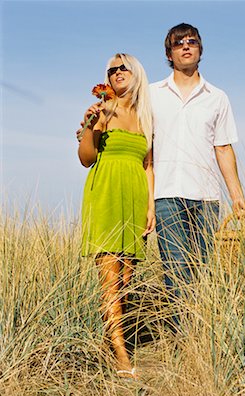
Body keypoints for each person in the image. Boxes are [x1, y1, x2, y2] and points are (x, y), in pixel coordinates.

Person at [150, 23, 245, 305]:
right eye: (178, 43)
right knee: (175, 269)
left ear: (200, 49)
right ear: (169, 54)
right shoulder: (152, 93)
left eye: (191, 41)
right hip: (166, 194)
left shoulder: (217, 97)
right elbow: (143, 146)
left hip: (206, 197)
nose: (186, 46)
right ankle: (183, 339)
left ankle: (200, 339)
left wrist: (237, 196)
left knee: (201, 270)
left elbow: (223, 147)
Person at [78, 53, 155, 379]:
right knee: (109, 282)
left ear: (136, 74)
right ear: (107, 79)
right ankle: (121, 357)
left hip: (135, 200)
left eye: (123, 67)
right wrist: (91, 126)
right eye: (112, 70)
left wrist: (150, 206)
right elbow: (85, 158)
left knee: (125, 281)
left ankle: (108, 339)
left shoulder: (146, 117)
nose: (117, 72)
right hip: (106, 194)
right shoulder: (102, 111)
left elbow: (148, 164)